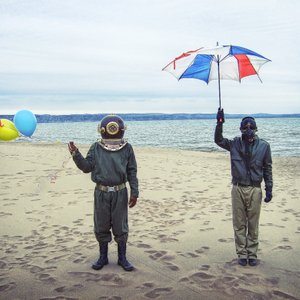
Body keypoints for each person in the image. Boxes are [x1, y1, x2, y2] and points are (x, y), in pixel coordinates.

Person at [68, 114, 139, 271]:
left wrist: (135, 192)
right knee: (101, 224)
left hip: (120, 192)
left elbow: (132, 171)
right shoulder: (96, 148)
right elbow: (87, 167)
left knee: (121, 225)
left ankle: (122, 258)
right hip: (101, 193)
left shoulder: (127, 148)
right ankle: (103, 257)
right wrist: (76, 155)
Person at [214, 108, 273, 266]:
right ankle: (241, 253)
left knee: (253, 224)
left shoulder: (264, 146)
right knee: (239, 223)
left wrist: (269, 189)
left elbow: (267, 169)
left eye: (251, 127)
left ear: (255, 129)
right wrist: (219, 122)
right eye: (245, 127)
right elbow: (218, 140)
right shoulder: (234, 144)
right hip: (238, 188)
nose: (248, 130)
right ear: (241, 129)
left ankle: (252, 254)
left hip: (255, 189)